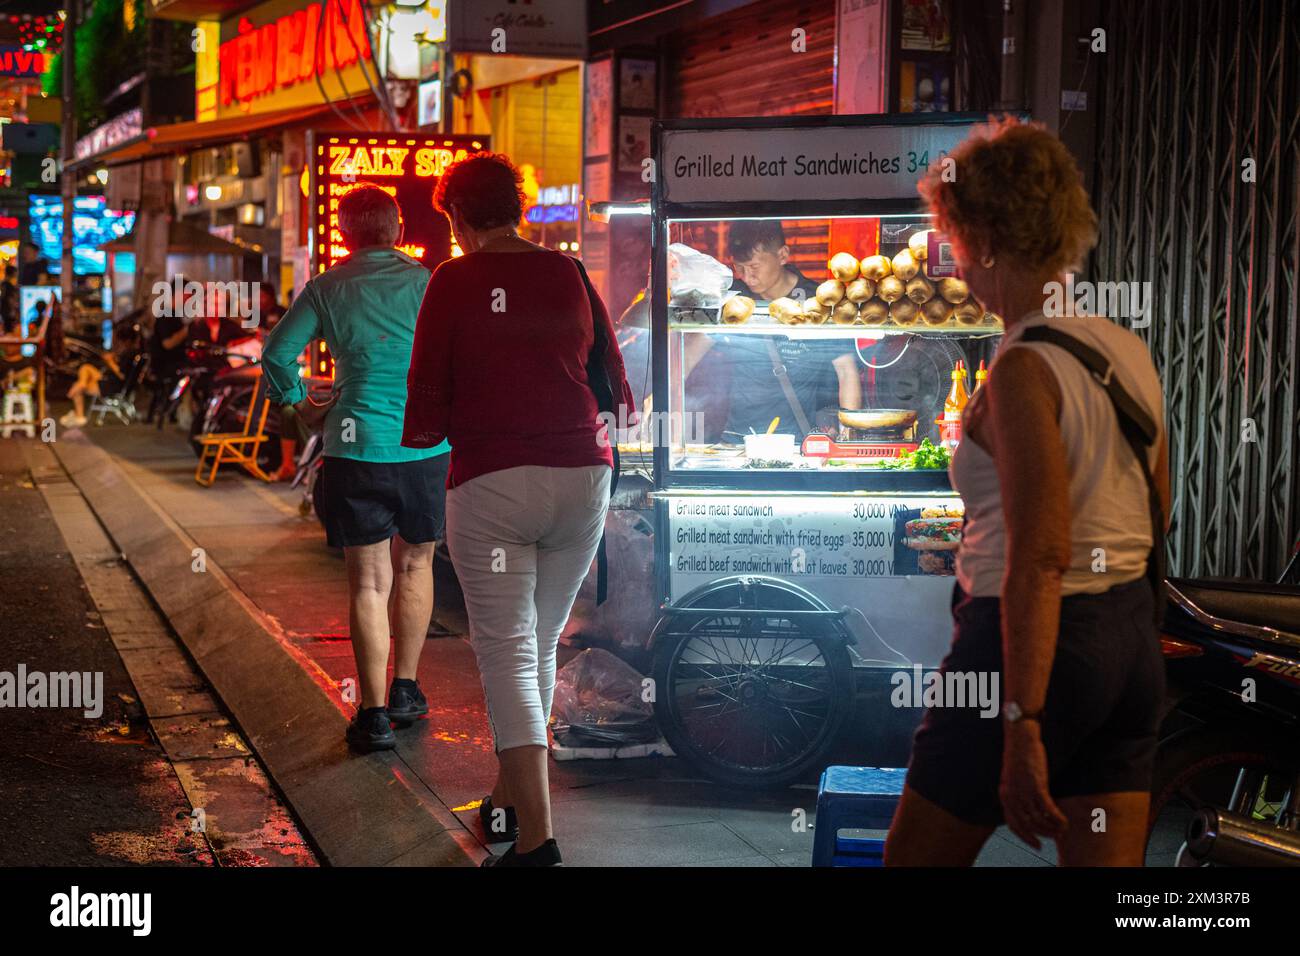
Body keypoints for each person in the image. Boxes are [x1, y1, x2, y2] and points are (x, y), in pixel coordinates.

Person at [883, 118, 1171, 867]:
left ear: (983, 234)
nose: (951, 259)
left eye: (951, 234)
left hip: (1020, 653)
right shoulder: (1127, 349)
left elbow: (1041, 554)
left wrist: (1021, 723)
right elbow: (1158, 511)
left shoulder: (1021, 368)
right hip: (1128, 644)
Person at [403, 152, 634, 867]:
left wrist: (423, 433)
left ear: (457, 216)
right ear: (521, 208)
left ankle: (537, 842)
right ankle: (507, 804)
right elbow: (614, 382)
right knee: (535, 643)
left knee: (506, 650)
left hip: (494, 484)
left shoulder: (453, 278)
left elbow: (426, 391)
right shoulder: (566, 272)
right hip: (581, 480)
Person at [262, 185, 450, 753]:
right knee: (416, 565)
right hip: (423, 447)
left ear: (344, 233)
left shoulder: (326, 288)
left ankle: (372, 717)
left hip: (353, 445)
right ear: (396, 230)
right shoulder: (428, 283)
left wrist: (302, 404)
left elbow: (276, 353)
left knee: (369, 580)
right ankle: (406, 691)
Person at [682, 220, 860, 438]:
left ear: (783, 255)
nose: (747, 277)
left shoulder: (817, 301)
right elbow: (686, 359)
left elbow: (846, 371)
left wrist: (849, 435)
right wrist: (660, 399)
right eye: (739, 268)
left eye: (754, 267)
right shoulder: (732, 299)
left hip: (801, 439)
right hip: (740, 438)